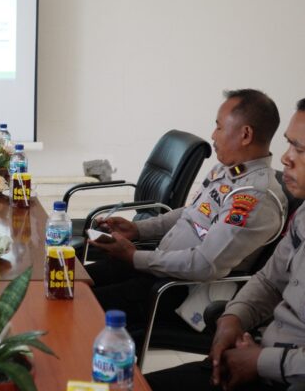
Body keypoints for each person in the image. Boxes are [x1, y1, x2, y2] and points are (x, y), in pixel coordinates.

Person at [87, 89, 286, 336]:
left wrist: (135, 257)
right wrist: (139, 229)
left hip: (177, 291)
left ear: (245, 134)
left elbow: (204, 265)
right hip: (159, 267)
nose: (213, 135)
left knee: (81, 305)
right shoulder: (230, 171)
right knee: (75, 280)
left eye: (219, 127)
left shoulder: (256, 197)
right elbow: (192, 212)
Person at [145, 99, 305, 391]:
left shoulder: (257, 194)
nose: (286, 158)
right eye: (289, 145)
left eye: (300, 149)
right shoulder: (303, 216)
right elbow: (269, 281)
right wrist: (233, 317)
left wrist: (261, 361)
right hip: (260, 356)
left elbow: (205, 262)